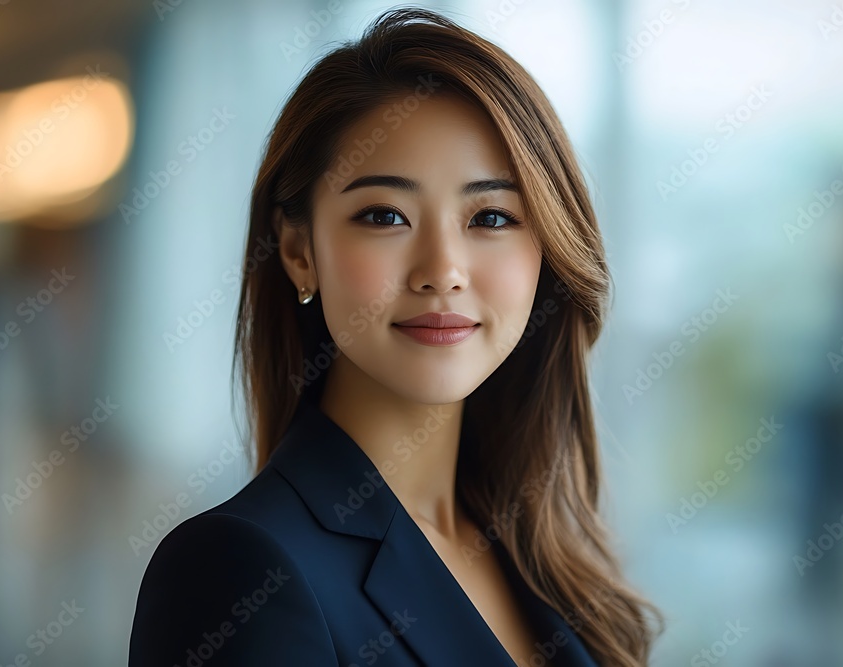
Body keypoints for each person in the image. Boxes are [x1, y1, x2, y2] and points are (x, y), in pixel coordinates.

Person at [129, 7, 661, 666]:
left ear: (546, 250)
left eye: (491, 216)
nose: (442, 271)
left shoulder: (542, 560)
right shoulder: (236, 571)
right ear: (299, 250)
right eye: (385, 215)